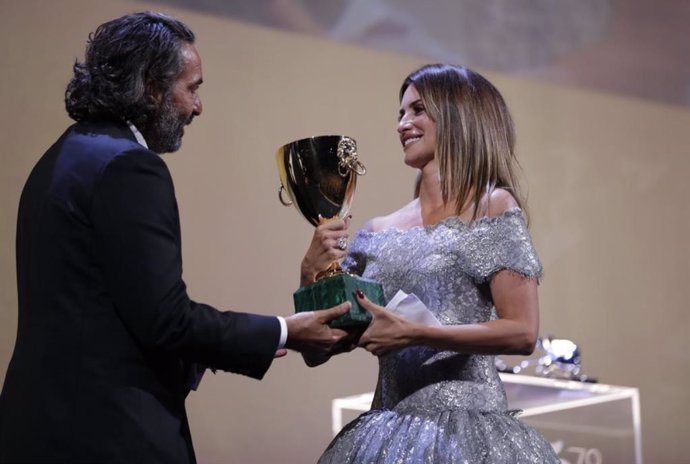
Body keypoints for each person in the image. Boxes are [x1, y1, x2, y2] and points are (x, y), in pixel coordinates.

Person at [0, 11, 350, 464]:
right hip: (108, 435)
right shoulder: (131, 166)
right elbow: (166, 321)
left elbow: (107, 313)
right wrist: (285, 330)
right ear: (151, 87)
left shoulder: (58, 159)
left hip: (35, 428)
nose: (197, 107)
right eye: (193, 87)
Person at [300, 64, 559, 462]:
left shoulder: (492, 208)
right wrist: (311, 274)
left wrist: (415, 332)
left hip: (472, 436)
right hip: (386, 435)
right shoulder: (377, 232)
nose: (403, 123)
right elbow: (319, 350)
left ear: (458, 114)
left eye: (418, 110)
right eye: (401, 114)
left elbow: (522, 332)